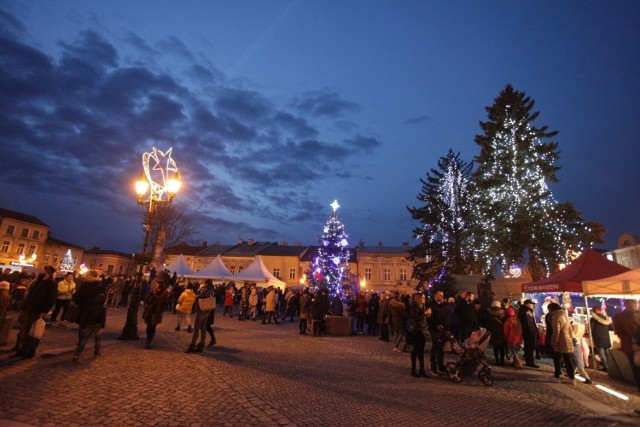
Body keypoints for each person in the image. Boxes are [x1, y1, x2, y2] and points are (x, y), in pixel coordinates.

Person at [10, 265, 57, 359]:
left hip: (38, 310)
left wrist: (44, 311)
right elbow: (31, 293)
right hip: (30, 308)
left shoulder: (51, 283)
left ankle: (30, 351)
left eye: (43, 269)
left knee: (34, 332)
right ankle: (22, 349)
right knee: (25, 330)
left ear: (47, 272)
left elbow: (50, 298)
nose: (41, 271)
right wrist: (25, 305)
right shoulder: (39, 280)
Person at [72, 270, 106, 361]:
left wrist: (75, 297)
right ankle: (97, 352)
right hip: (98, 314)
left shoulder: (85, 285)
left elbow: (78, 298)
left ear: (89, 276)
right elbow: (103, 300)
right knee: (97, 335)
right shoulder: (101, 286)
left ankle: (77, 354)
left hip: (85, 313)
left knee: (83, 334)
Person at [612, 299, 640, 391]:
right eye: (632, 304)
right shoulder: (620, 317)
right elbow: (620, 332)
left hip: (631, 347)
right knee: (637, 370)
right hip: (632, 347)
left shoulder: (618, 317)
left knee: (636, 370)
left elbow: (618, 332)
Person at [185, 280, 216, 353]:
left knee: (196, 328)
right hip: (207, 311)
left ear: (206, 283)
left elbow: (199, 297)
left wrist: (197, 293)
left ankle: (192, 346)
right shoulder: (212, 290)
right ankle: (201, 345)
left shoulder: (206, 290)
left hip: (202, 311)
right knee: (203, 328)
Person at [549, 304, 575, 384]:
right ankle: (571, 378)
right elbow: (570, 330)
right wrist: (571, 339)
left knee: (557, 359)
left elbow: (556, 331)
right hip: (567, 340)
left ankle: (557, 376)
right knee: (568, 360)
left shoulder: (556, 316)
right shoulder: (565, 315)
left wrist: (554, 342)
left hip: (561, 341)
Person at [409, 292, 430, 378]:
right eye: (423, 298)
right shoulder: (414, 307)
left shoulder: (423, 306)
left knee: (421, 350)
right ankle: (413, 369)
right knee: (416, 350)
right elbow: (416, 319)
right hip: (417, 330)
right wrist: (425, 313)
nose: (425, 299)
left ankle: (422, 369)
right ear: (419, 299)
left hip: (423, 330)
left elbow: (422, 318)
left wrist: (427, 315)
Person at [142, 280, 168, 349]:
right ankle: (148, 338)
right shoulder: (152, 291)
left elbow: (165, 304)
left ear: (161, 285)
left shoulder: (164, 294)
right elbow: (146, 299)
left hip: (156, 313)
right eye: (156, 283)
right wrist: (146, 306)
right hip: (150, 311)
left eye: (157, 284)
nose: (156, 285)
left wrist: (160, 311)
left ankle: (148, 341)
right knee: (148, 327)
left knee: (153, 327)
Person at [427, 290, 448, 374]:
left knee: (441, 349)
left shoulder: (443, 305)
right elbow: (430, 318)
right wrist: (436, 325)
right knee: (435, 347)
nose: (442, 297)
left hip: (443, 329)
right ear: (435, 296)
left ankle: (441, 366)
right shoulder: (431, 305)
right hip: (434, 330)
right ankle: (433, 367)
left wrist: (446, 327)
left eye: (442, 295)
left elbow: (445, 317)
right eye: (440, 295)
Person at [590, 306, 613, 372]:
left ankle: (606, 367)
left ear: (594, 311)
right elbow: (612, 328)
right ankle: (611, 367)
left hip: (598, 338)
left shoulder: (593, 319)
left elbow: (591, 329)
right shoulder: (606, 318)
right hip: (606, 338)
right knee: (607, 353)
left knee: (602, 354)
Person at [518, 299, 540, 368]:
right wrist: (533, 332)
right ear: (528, 304)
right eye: (532, 304)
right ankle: (530, 361)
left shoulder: (523, 310)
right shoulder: (527, 311)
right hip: (529, 332)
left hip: (526, 332)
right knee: (530, 347)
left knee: (528, 347)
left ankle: (529, 361)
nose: (533, 305)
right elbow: (530, 323)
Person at [485, 300, 506, 366]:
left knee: (496, 348)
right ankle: (502, 361)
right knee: (502, 348)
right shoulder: (503, 314)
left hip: (493, 332)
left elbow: (487, 324)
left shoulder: (489, 314)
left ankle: (497, 361)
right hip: (501, 332)